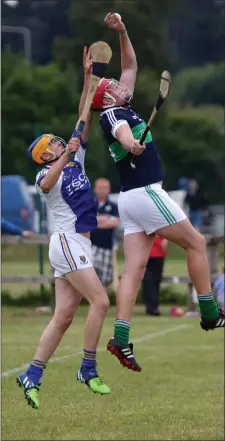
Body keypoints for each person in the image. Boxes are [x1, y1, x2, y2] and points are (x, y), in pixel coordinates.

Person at [90, 12, 225, 372]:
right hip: (145, 192)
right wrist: (132, 142)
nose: (121, 83)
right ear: (106, 98)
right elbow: (122, 133)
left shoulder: (120, 105)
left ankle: (120, 338)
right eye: (115, 86)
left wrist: (123, 31)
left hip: (129, 200)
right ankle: (211, 312)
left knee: (134, 270)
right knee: (196, 243)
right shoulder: (112, 115)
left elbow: (130, 63)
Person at [16, 47, 110, 410]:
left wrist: (88, 76)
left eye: (59, 140)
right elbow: (44, 186)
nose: (59, 141)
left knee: (64, 315)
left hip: (76, 245)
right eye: (53, 143)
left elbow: (83, 113)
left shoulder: (74, 158)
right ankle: (88, 367)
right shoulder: (46, 172)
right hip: (67, 242)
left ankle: (32, 375)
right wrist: (67, 153)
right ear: (45, 155)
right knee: (101, 301)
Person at [91, 178, 120, 291]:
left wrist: (97, 222)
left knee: (105, 277)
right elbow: (87, 222)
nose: (102, 191)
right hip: (91, 245)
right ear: (95, 189)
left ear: (109, 190)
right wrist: (105, 219)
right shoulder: (90, 204)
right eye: (100, 188)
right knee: (91, 275)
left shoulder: (113, 206)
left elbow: (115, 223)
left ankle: (102, 303)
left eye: (105, 188)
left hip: (107, 246)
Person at [142, 235, 168, 316]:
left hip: (158, 251)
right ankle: (152, 307)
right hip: (146, 251)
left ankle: (152, 307)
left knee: (155, 280)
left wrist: (166, 239)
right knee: (148, 281)